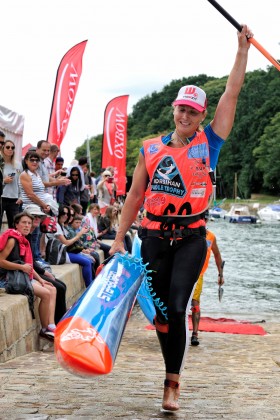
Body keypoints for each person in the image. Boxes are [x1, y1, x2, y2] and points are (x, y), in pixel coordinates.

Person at [109, 25, 253, 411]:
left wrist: (241, 51)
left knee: (176, 306)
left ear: (201, 114)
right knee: (160, 314)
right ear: (173, 109)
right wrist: (120, 237)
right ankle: (172, 357)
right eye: (181, 108)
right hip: (153, 237)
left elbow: (232, 93)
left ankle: (171, 383)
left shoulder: (211, 142)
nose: (186, 115)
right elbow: (135, 196)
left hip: (191, 237)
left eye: (193, 110)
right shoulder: (150, 149)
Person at [0, 212, 57, 341]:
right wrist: (21, 267)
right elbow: (1, 261)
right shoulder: (12, 240)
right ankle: (44, 329)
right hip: (9, 279)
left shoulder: (23, 241)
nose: (27, 226)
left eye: (29, 223)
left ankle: (52, 325)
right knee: (46, 294)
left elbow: (28, 266)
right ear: (16, 224)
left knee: (52, 289)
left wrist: (41, 279)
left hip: (22, 276)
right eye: (24, 223)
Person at [24, 204, 67, 324]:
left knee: (61, 285)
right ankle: (58, 322)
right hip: (27, 272)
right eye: (34, 216)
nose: (37, 218)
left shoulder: (32, 234)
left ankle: (60, 319)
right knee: (58, 287)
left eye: (39, 216)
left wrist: (44, 272)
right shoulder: (24, 235)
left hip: (33, 269)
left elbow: (32, 260)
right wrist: (42, 274)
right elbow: (27, 262)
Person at [190, 213, 224, 346]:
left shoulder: (211, 236)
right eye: (199, 219)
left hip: (199, 274)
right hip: (185, 271)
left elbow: (217, 255)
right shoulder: (189, 233)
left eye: (204, 219)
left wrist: (220, 274)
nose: (202, 221)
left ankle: (195, 334)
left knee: (195, 302)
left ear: (207, 220)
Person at [54, 205, 94, 287]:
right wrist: (79, 234)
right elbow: (66, 243)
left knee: (90, 259)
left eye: (67, 214)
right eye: (63, 213)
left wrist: (83, 251)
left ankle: (92, 283)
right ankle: (89, 287)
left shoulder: (62, 225)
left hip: (66, 251)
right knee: (87, 262)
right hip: (60, 254)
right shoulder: (57, 226)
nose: (66, 216)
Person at [0, 140, 22, 230]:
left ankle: (13, 244)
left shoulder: (18, 165)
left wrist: (21, 196)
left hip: (14, 199)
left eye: (12, 147)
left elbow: (20, 182)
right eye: (7, 147)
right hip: (1, 197)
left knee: (14, 226)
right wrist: (4, 181)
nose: (10, 149)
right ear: (3, 148)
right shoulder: (1, 164)